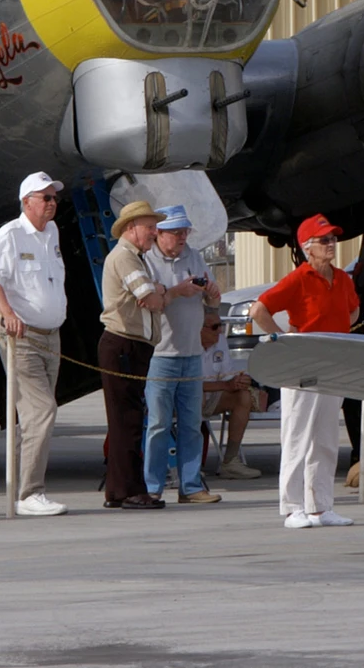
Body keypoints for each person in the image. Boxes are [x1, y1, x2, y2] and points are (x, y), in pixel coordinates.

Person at [251, 213, 361, 529]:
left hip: (332, 360)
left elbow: (352, 310)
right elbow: (259, 309)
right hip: (302, 362)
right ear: (307, 247)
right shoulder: (298, 279)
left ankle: (320, 506)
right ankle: (292, 507)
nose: (331, 244)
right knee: (298, 434)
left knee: (325, 436)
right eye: (324, 240)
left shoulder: (343, 278)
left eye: (333, 239)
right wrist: (284, 341)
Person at [0, 171, 69, 517]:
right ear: (26, 202)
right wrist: (7, 313)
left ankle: (22, 489)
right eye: (45, 198)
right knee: (42, 411)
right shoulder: (11, 234)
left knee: (34, 417)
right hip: (22, 334)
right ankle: (31, 493)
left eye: (54, 198)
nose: (52, 203)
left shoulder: (53, 233)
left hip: (51, 335)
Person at [142, 205, 223, 505]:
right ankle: (152, 486)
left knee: (192, 423)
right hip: (160, 355)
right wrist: (178, 290)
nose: (182, 237)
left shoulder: (194, 256)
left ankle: (191, 486)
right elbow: (149, 301)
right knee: (158, 424)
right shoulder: (146, 260)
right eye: (176, 232)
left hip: (191, 352)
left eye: (185, 231)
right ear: (159, 234)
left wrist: (212, 293)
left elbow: (214, 301)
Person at [100, 199, 165, 510]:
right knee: (128, 419)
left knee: (124, 418)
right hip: (124, 344)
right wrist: (159, 292)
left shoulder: (135, 258)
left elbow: (152, 297)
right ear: (131, 228)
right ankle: (130, 490)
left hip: (128, 345)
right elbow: (150, 299)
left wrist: (158, 292)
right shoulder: (126, 258)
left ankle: (118, 489)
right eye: (149, 226)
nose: (154, 232)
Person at [199, 308, 263, 479]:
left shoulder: (220, 341)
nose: (219, 331)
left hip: (212, 395)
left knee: (243, 395)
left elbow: (228, 375)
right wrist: (225, 384)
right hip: (185, 398)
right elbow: (186, 384)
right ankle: (189, 464)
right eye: (214, 327)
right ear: (198, 328)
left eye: (220, 326)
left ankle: (230, 461)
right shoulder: (185, 344)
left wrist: (239, 381)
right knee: (194, 397)